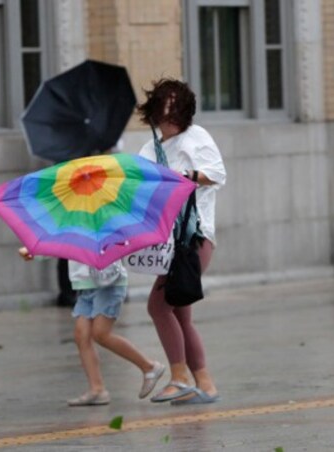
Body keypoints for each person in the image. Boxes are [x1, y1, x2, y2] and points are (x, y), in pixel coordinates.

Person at [136, 78, 226, 405]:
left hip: (194, 240)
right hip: (166, 243)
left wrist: (186, 178)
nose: (170, 113)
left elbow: (216, 174)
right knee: (180, 313)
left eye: (176, 106)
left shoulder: (196, 137)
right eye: (165, 106)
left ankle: (178, 377)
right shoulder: (150, 150)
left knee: (158, 305)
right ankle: (206, 384)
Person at [18, 248, 165, 406]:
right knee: (81, 335)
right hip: (85, 286)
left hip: (108, 285)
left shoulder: (103, 224)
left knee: (101, 334)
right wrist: (35, 253)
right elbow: (61, 244)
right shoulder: (74, 225)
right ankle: (97, 389)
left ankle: (149, 367)